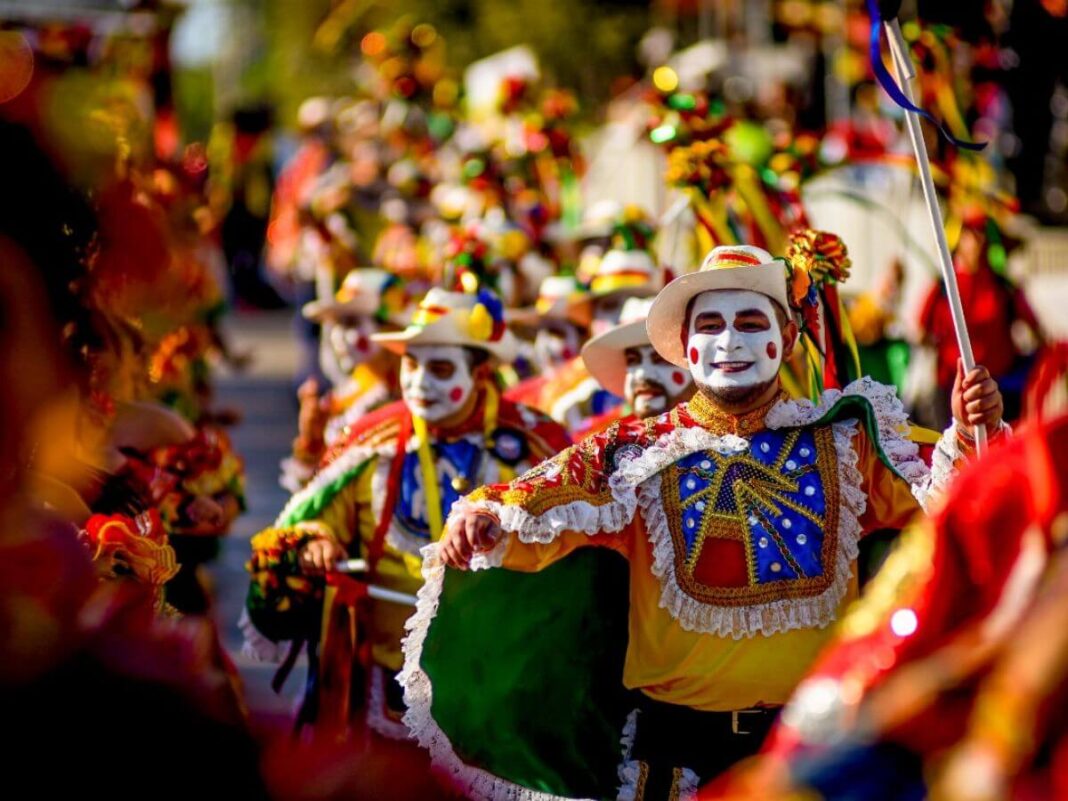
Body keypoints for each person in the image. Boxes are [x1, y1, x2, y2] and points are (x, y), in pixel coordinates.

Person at [402, 242, 1005, 801]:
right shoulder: (635, 452)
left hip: (811, 746)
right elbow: (543, 493)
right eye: (711, 326)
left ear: (788, 337)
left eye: (750, 324)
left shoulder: (848, 443)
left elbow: (948, 504)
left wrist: (971, 430)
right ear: (685, 346)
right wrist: (486, 518)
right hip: (676, 756)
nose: (729, 343)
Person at [244, 287, 570, 738]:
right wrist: (318, 541)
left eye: (439, 369)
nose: (419, 384)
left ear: (480, 373)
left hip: (501, 674)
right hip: (384, 674)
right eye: (411, 366)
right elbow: (311, 516)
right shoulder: (371, 439)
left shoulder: (538, 443)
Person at [281, 268, 402, 491]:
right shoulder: (345, 395)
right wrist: (311, 441)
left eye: (351, 323)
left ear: (390, 328)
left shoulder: (415, 396)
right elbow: (313, 490)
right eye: (335, 326)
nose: (337, 337)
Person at [577, 296, 696, 436]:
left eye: (660, 359)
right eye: (632, 361)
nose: (641, 375)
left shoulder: (722, 438)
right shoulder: (609, 445)